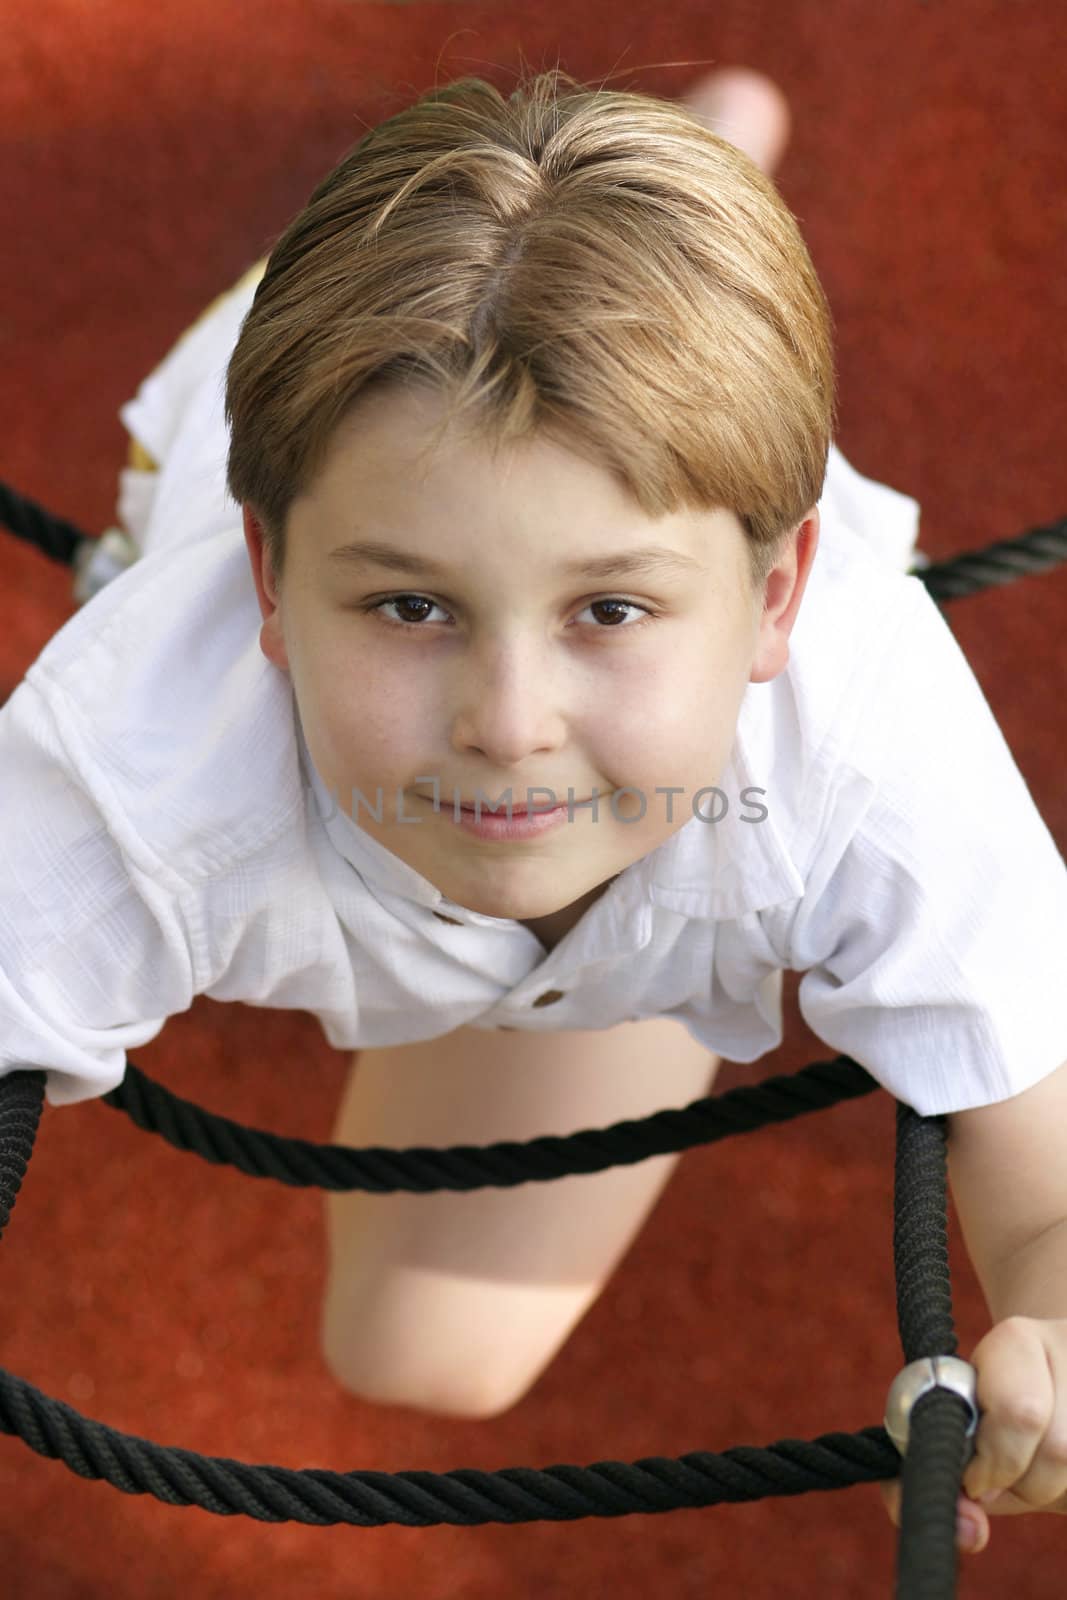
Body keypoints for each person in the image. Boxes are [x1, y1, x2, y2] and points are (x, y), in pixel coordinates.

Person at [3, 66, 1066, 1558]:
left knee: (430, 1348)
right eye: (410, 605)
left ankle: (699, 172)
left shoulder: (865, 748)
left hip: (674, 824)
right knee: (413, 1346)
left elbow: (1051, 1166)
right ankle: (654, 193)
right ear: (269, 585)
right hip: (261, 453)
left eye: (611, 609)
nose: (507, 724)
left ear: (776, 600)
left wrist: (1053, 1346)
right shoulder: (133, 763)